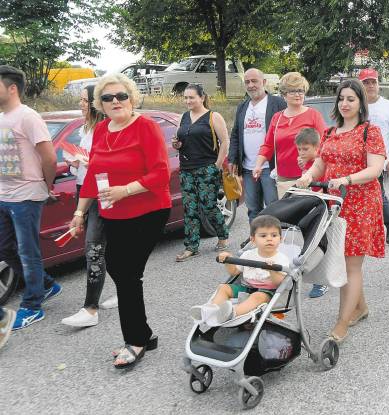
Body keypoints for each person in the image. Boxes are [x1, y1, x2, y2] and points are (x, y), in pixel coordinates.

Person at [69, 72, 171, 369]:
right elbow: (92, 176)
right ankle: (145, 334)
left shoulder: (146, 127)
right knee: (121, 270)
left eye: (121, 96)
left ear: (132, 98)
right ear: (99, 104)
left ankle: (136, 340)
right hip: (113, 211)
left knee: (126, 273)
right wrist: (79, 212)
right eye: (108, 97)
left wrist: (125, 190)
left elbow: (160, 173)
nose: (116, 101)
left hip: (148, 210)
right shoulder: (101, 130)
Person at [297, 79, 386, 343]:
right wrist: (307, 176)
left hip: (360, 203)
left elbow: (375, 169)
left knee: (351, 265)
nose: (345, 104)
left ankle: (341, 323)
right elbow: (320, 165)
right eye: (341, 99)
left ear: (361, 103)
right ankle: (360, 308)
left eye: (351, 99)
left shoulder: (370, 132)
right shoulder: (328, 133)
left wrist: (347, 179)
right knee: (341, 258)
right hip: (333, 203)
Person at [0, 65, 62, 331]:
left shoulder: (28, 116)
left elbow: (49, 157)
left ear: (12, 88)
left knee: (28, 252)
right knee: (4, 249)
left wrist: (47, 187)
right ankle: (47, 284)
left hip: (27, 195)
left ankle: (32, 306)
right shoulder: (2, 117)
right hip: (4, 195)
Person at [60, 84, 117, 327]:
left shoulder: (105, 129)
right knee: (107, 248)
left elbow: (107, 163)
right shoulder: (86, 128)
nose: (81, 104)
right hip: (84, 189)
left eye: (84, 100)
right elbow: (86, 164)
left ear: (95, 103)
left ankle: (90, 309)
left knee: (93, 248)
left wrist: (87, 161)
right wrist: (76, 162)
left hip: (101, 193)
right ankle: (125, 290)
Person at [190, 215, 289, 326]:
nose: (269, 239)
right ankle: (210, 311)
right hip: (246, 287)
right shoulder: (248, 254)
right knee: (223, 288)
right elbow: (234, 272)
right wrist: (228, 260)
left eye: (274, 235)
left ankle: (232, 313)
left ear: (280, 239)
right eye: (263, 236)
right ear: (253, 240)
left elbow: (280, 282)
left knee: (257, 296)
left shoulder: (281, 259)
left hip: (268, 292)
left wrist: (272, 270)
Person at [173, 84, 230, 262]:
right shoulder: (184, 117)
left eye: (192, 97)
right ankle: (191, 247)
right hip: (186, 169)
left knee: (208, 206)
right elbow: (180, 141)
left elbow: (225, 142)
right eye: (185, 98)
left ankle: (222, 236)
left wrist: (217, 166)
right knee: (190, 209)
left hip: (207, 168)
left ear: (202, 98)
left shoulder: (213, 117)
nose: (188, 101)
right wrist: (177, 145)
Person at [252, 72, 326, 198]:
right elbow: (268, 145)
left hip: (308, 175)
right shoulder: (277, 117)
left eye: (301, 90)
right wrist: (258, 165)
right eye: (293, 91)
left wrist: (311, 159)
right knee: (287, 216)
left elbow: (324, 145)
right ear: (284, 95)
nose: (298, 94)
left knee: (309, 216)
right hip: (284, 178)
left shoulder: (314, 115)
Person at [228, 69, 287, 221]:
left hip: (270, 167)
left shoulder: (278, 103)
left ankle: (275, 243)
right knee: (253, 209)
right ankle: (255, 241)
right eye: (247, 82)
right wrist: (233, 158)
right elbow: (235, 134)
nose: (251, 85)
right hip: (248, 168)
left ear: (264, 82)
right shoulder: (242, 107)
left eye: (254, 81)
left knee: (274, 208)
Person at [360, 68, 389, 244]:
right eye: (366, 82)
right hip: (358, 160)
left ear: (378, 84)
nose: (370, 86)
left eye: (373, 82)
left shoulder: (388, 106)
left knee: (377, 193)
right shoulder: (357, 105)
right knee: (363, 195)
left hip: (378, 160)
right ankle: (367, 229)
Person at [294, 127, 328, 299]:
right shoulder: (305, 164)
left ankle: (320, 282)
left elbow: (322, 185)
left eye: (305, 149)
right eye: (299, 149)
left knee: (319, 244)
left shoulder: (321, 165)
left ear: (317, 147)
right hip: (312, 208)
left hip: (324, 209)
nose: (301, 152)